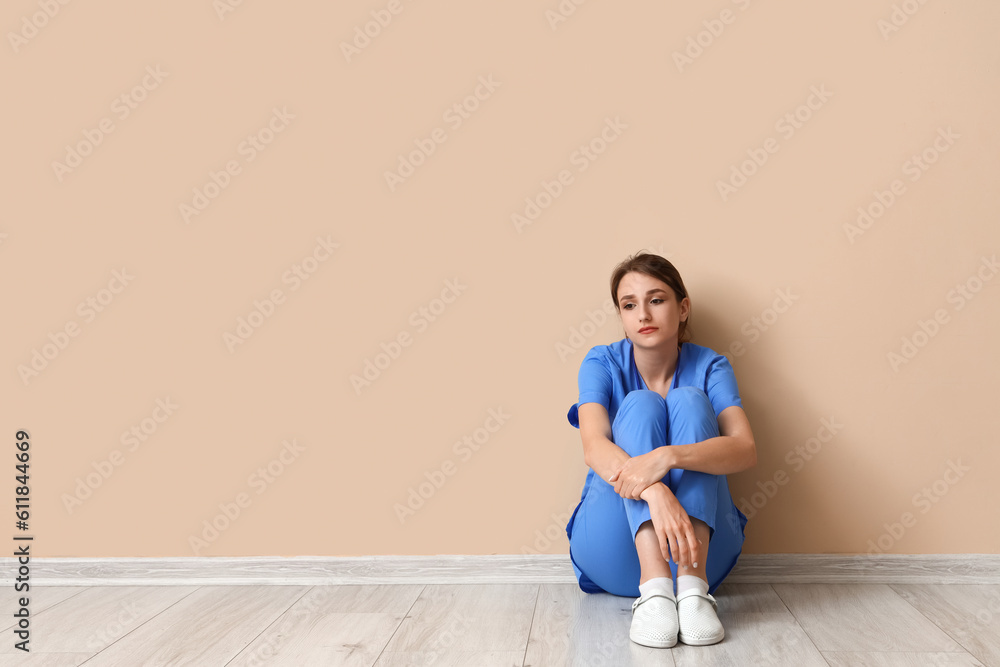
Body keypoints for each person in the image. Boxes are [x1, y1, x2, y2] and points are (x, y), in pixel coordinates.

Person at [565, 252, 757, 649]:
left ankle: (691, 592)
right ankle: (653, 592)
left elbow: (744, 449)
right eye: (629, 305)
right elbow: (593, 446)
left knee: (689, 400)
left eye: (656, 300)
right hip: (614, 548)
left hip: (701, 556)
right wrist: (656, 492)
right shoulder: (601, 362)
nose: (643, 314)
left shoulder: (711, 365)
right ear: (620, 315)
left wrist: (669, 457)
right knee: (640, 404)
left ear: (683, 308)